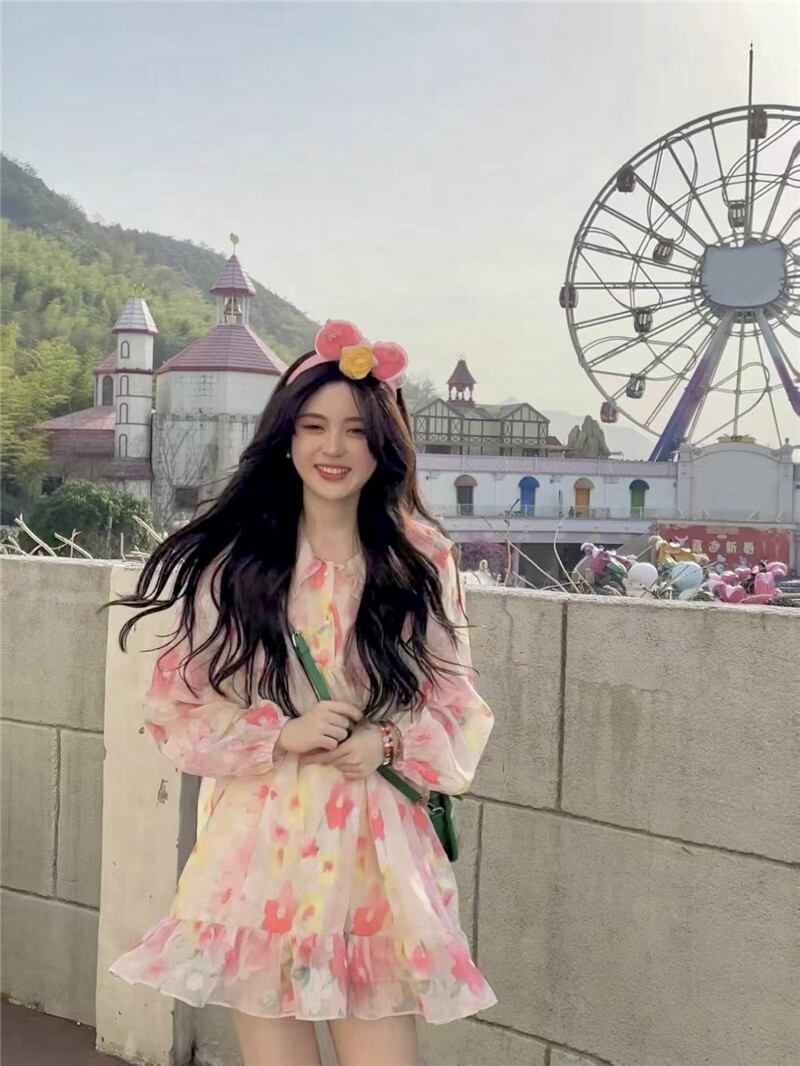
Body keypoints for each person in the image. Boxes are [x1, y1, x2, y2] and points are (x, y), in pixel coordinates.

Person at [106, 319, 497, 1066]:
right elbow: (175, 707)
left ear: (383, 445)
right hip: (263, 846)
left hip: (376, 851)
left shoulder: (420, 557)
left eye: (356, 430)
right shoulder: (236, 561)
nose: (333, 447)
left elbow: (457, 703)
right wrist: (281, 733)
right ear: (285, 438)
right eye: (314, 426)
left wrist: (386, 740)